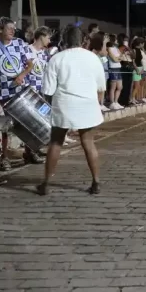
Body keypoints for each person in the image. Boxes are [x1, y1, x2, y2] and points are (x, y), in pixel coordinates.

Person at [38, 25, 106, 196]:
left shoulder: (56, 58)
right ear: (83, 40)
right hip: (88, 105)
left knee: (55, 143)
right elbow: (101, 86)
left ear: (64, 40)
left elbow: (48, 90)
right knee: (89, 144)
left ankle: (46, 183)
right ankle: (96, 182)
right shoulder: (93, 57)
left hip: (64, 104)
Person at [0, 17, 42, 169]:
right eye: (9, 28)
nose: (12, 30)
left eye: (13, 28)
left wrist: (22, 75)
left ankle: (30, 152)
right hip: (2, 94)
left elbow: (30, 64)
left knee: (27, 123)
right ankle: (4, 158)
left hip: (20, 91)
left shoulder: (19, 43)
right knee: (5, 127)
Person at [107, 38, 124, 110]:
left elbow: (121, 57)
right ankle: (112, 103)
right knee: (113, 87)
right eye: (115, 39)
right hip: (113, 68)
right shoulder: (109, 48)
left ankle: (116, 102)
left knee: (120, 87)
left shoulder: (116, 48)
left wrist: (118, 58)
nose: (117, 40)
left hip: (118, 68)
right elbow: (114, 59)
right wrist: (118, 59)